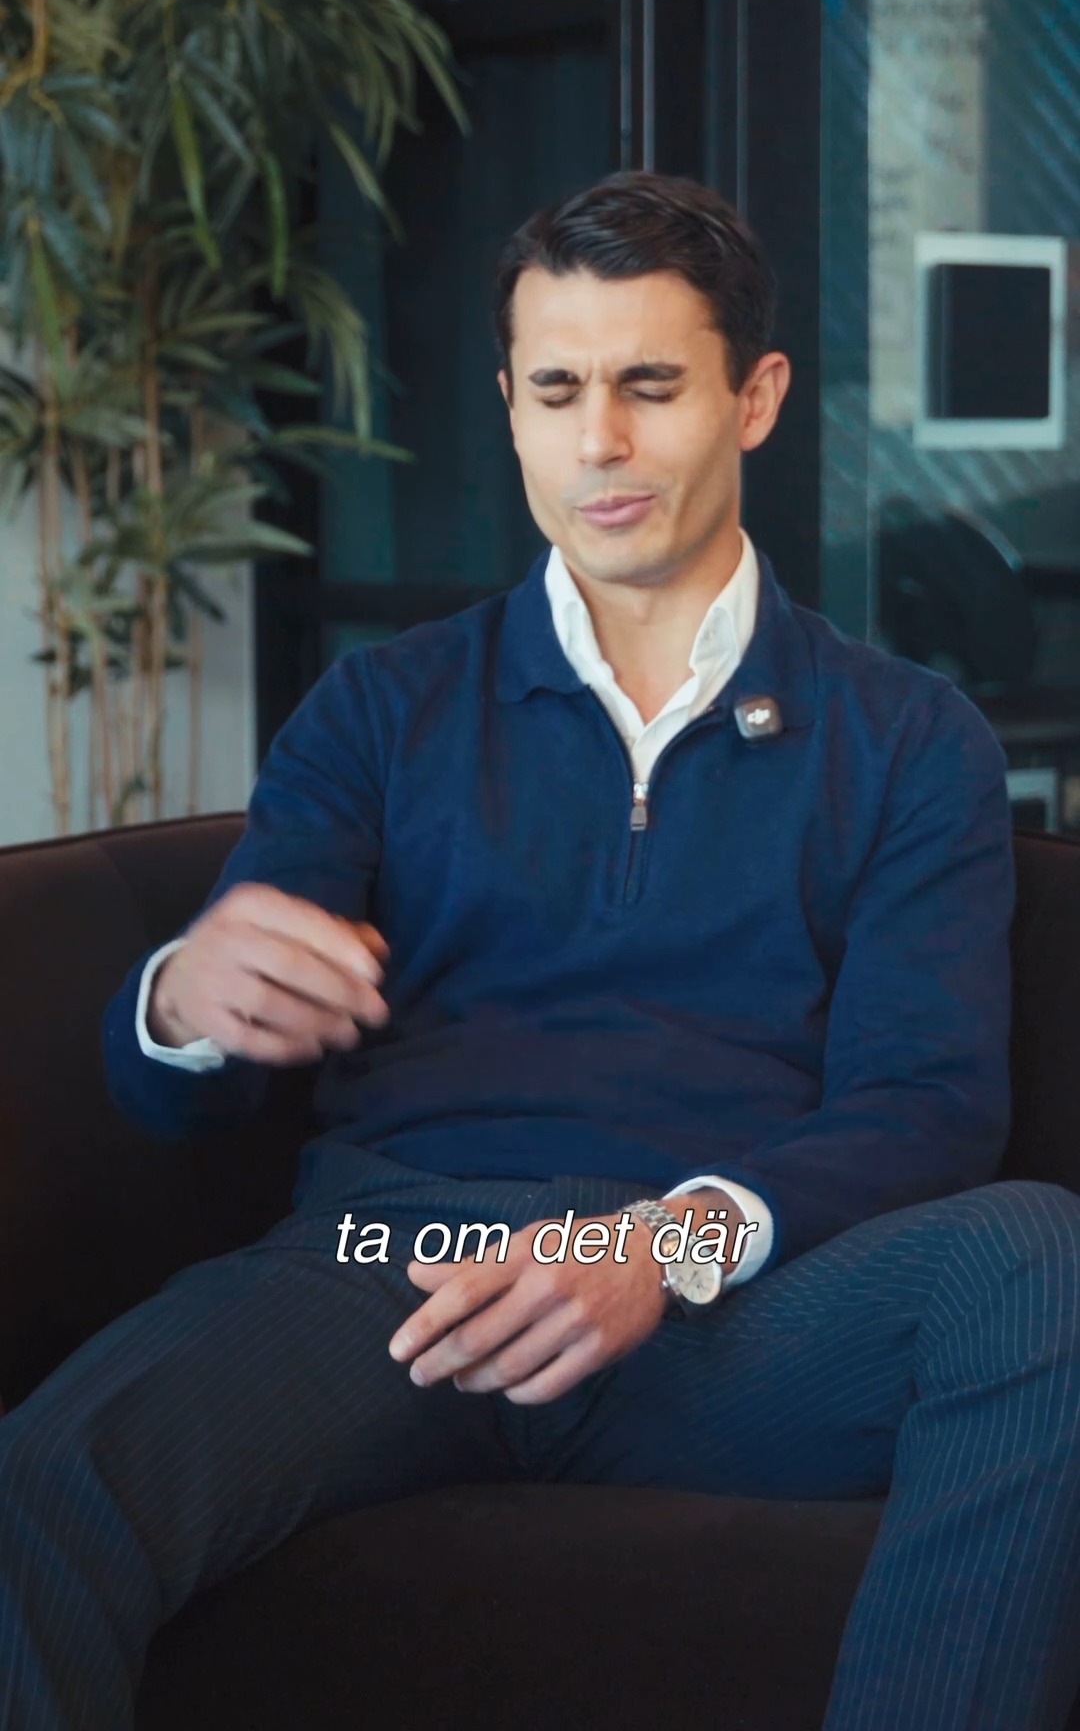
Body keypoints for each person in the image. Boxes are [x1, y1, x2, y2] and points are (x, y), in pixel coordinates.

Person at [2, 170, 1080, 1731]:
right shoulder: (381, 709)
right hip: (388, 1273)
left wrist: (660, 1247)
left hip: (726, 1310)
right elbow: (192, 1082)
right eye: (559, 391)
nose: (602, 443)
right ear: (510, 406)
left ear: (755, 397)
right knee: (38, 1484)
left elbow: (927, 1108)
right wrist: (185, 998)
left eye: (652, 386)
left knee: (1037, 1259)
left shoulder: (910, 740)